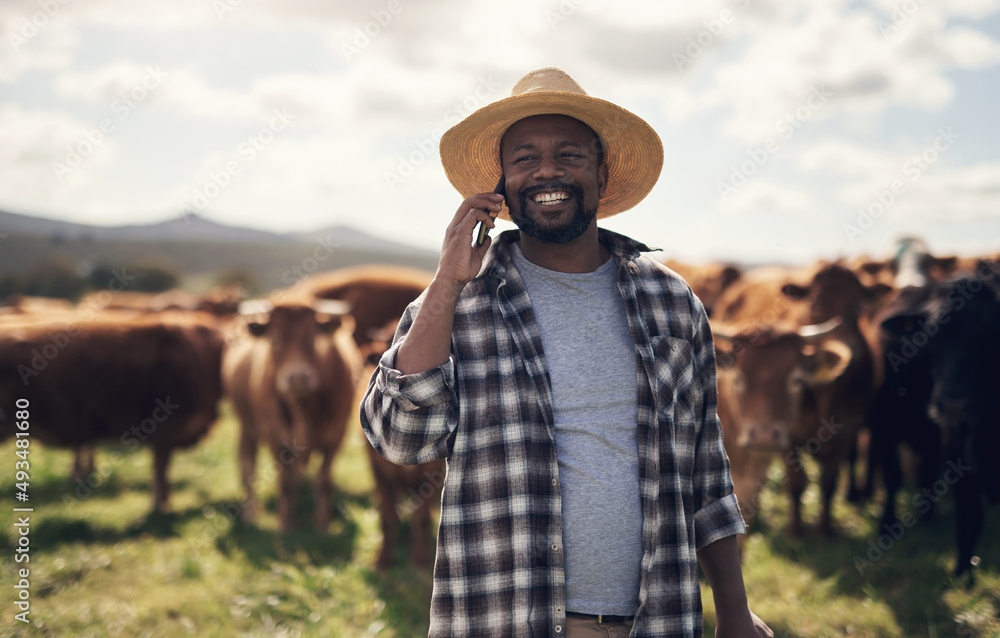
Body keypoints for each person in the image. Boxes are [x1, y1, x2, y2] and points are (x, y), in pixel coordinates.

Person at [361, 67, 772, 638]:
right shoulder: (460, 301)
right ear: (500, 183)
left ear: (602, 175)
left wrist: (733, 610)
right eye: (525, 157)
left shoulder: (671, 302)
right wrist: (445, 284)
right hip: (505, 617)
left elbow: (706, 471)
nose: (547, 170)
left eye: (569, 154)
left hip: (657, 618)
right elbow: (400, 441)